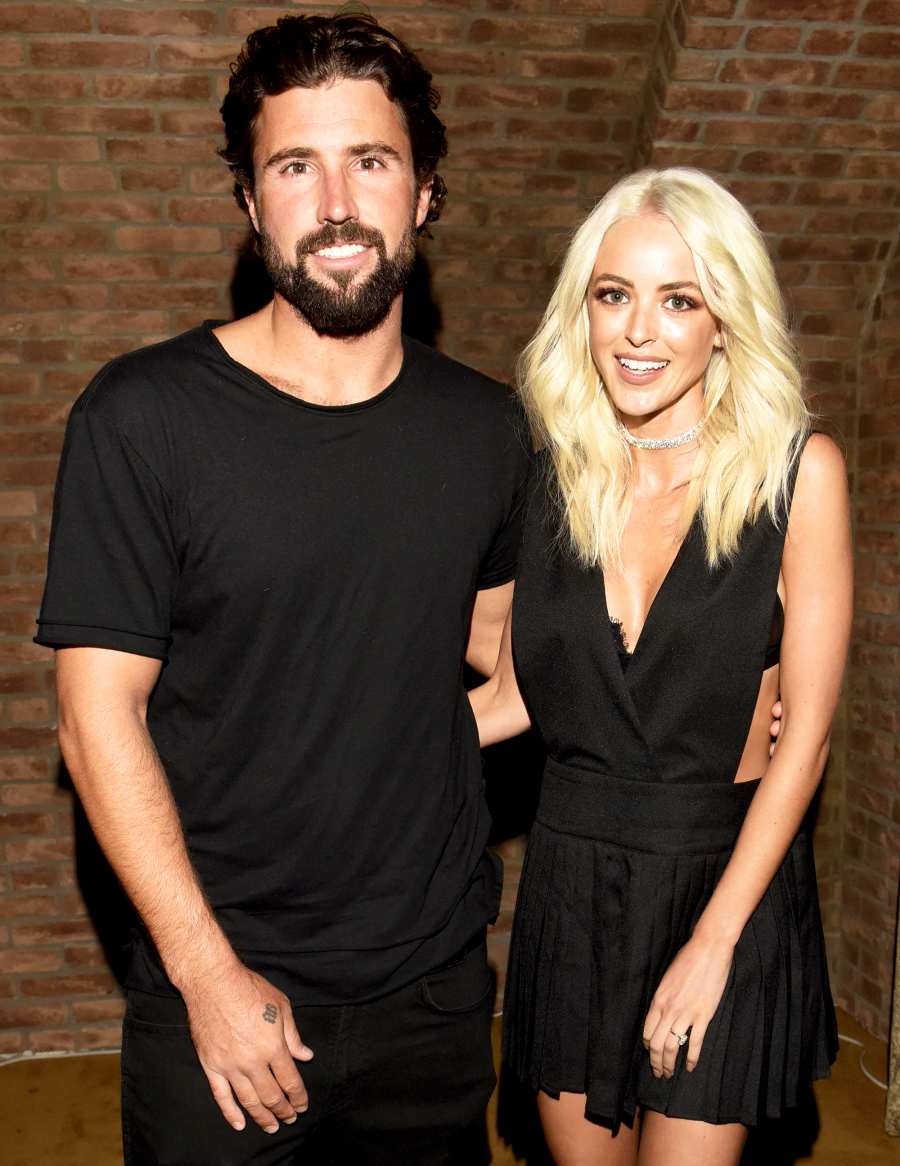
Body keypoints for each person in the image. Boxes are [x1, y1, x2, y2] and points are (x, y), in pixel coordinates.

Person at [35, 13, 531, 1164]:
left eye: (372, 159)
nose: (339, 203)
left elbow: (518, 650)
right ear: (254, 205)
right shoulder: (144, 417)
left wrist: (696, 692)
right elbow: (92, 713)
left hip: (436, 996)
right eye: (296, 166)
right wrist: (208, 972)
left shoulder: (486, 430)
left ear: (425, 192)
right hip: (224, 990)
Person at [470, 167, 852, 1166]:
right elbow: (512, 692)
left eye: (677, 299)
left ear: (723, 318)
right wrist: (340, 739)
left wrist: (714, 942)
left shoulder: (796, 476)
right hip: (572, 881)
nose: (639, 330)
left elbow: (804, 737)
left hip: (725, 881)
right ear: (582, 310)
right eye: (613, 295)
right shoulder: (551, 473)